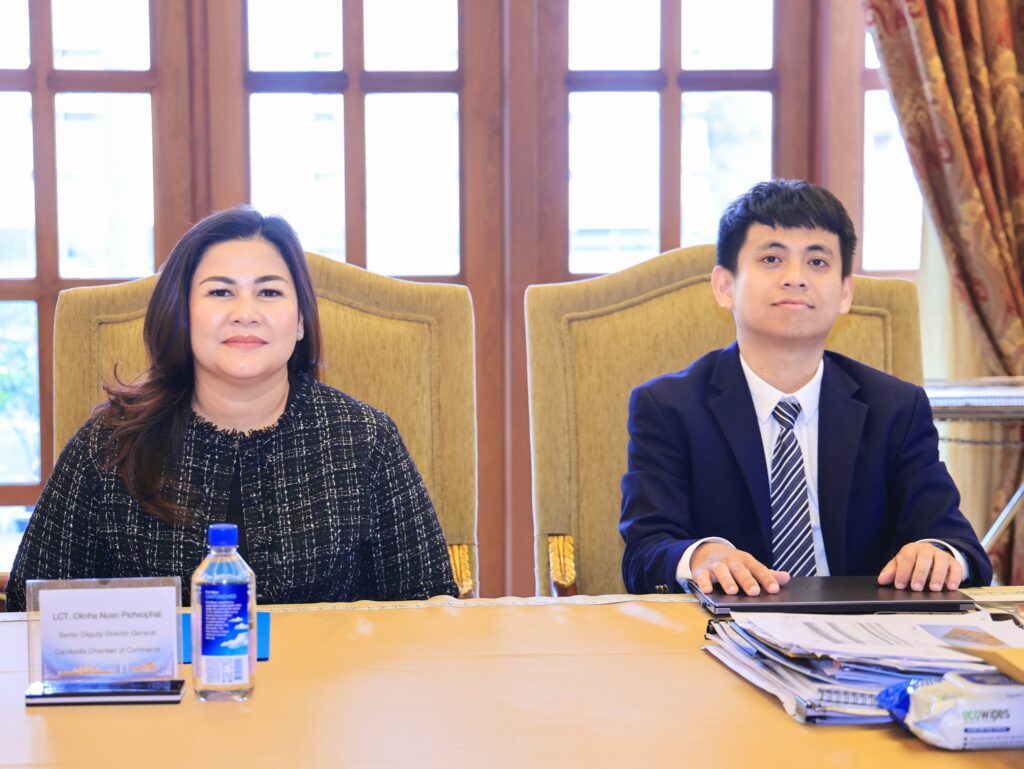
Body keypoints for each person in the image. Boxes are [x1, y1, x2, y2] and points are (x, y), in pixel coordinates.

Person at [6, 207, 457, 611]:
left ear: (300, 321)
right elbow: (33, 608)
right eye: (221, 292)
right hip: (157, 683)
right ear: (182, 316)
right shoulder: (108, 443)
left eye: (269, 293)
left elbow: (431, 606)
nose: (245, 313)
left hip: (332, 681)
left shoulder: (364, 439)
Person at [620, 179, 992, 597]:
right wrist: (699, 555)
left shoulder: (895, 407)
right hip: (726, 624)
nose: (795, 278)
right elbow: (643, 555)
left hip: (864, 628)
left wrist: (937, 553)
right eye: (772, 258)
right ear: (725, 286)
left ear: (845, 293)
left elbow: (961, 546)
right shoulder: (669, 407)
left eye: (817, 262)